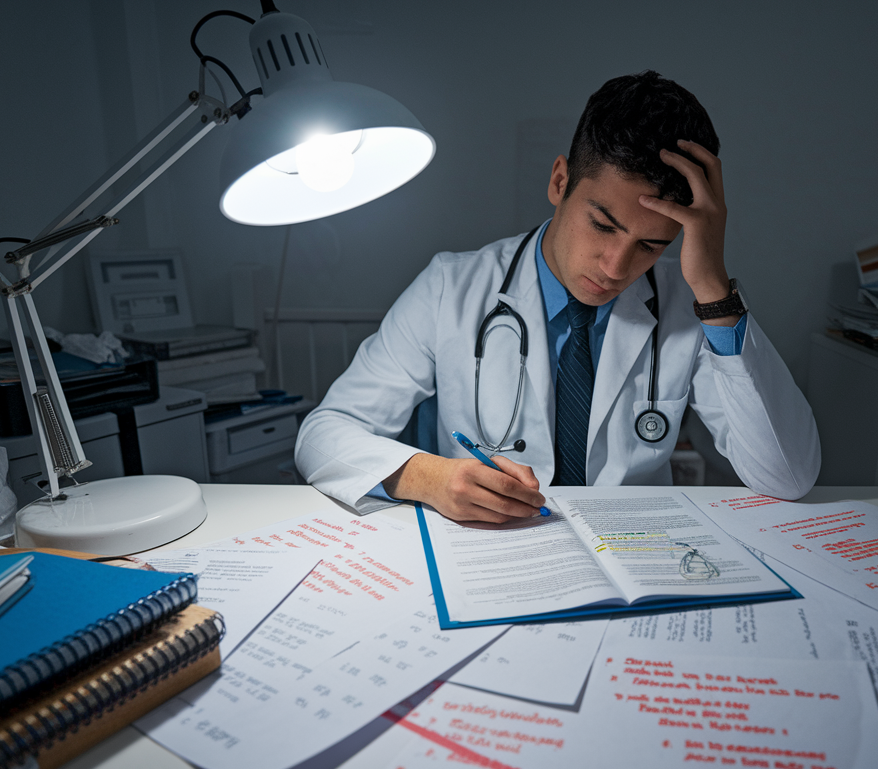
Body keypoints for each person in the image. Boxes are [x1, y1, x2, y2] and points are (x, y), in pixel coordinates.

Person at [295, 71, 820, 521]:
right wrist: (425, 476)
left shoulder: (694, 308)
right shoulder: (449, 288)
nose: (616, 267)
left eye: (651, 245)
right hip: (492, 556)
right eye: (602, 225)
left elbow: (788, 475)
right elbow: (323, 434)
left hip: (637, 559)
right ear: (559, 180)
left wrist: (713, 290)